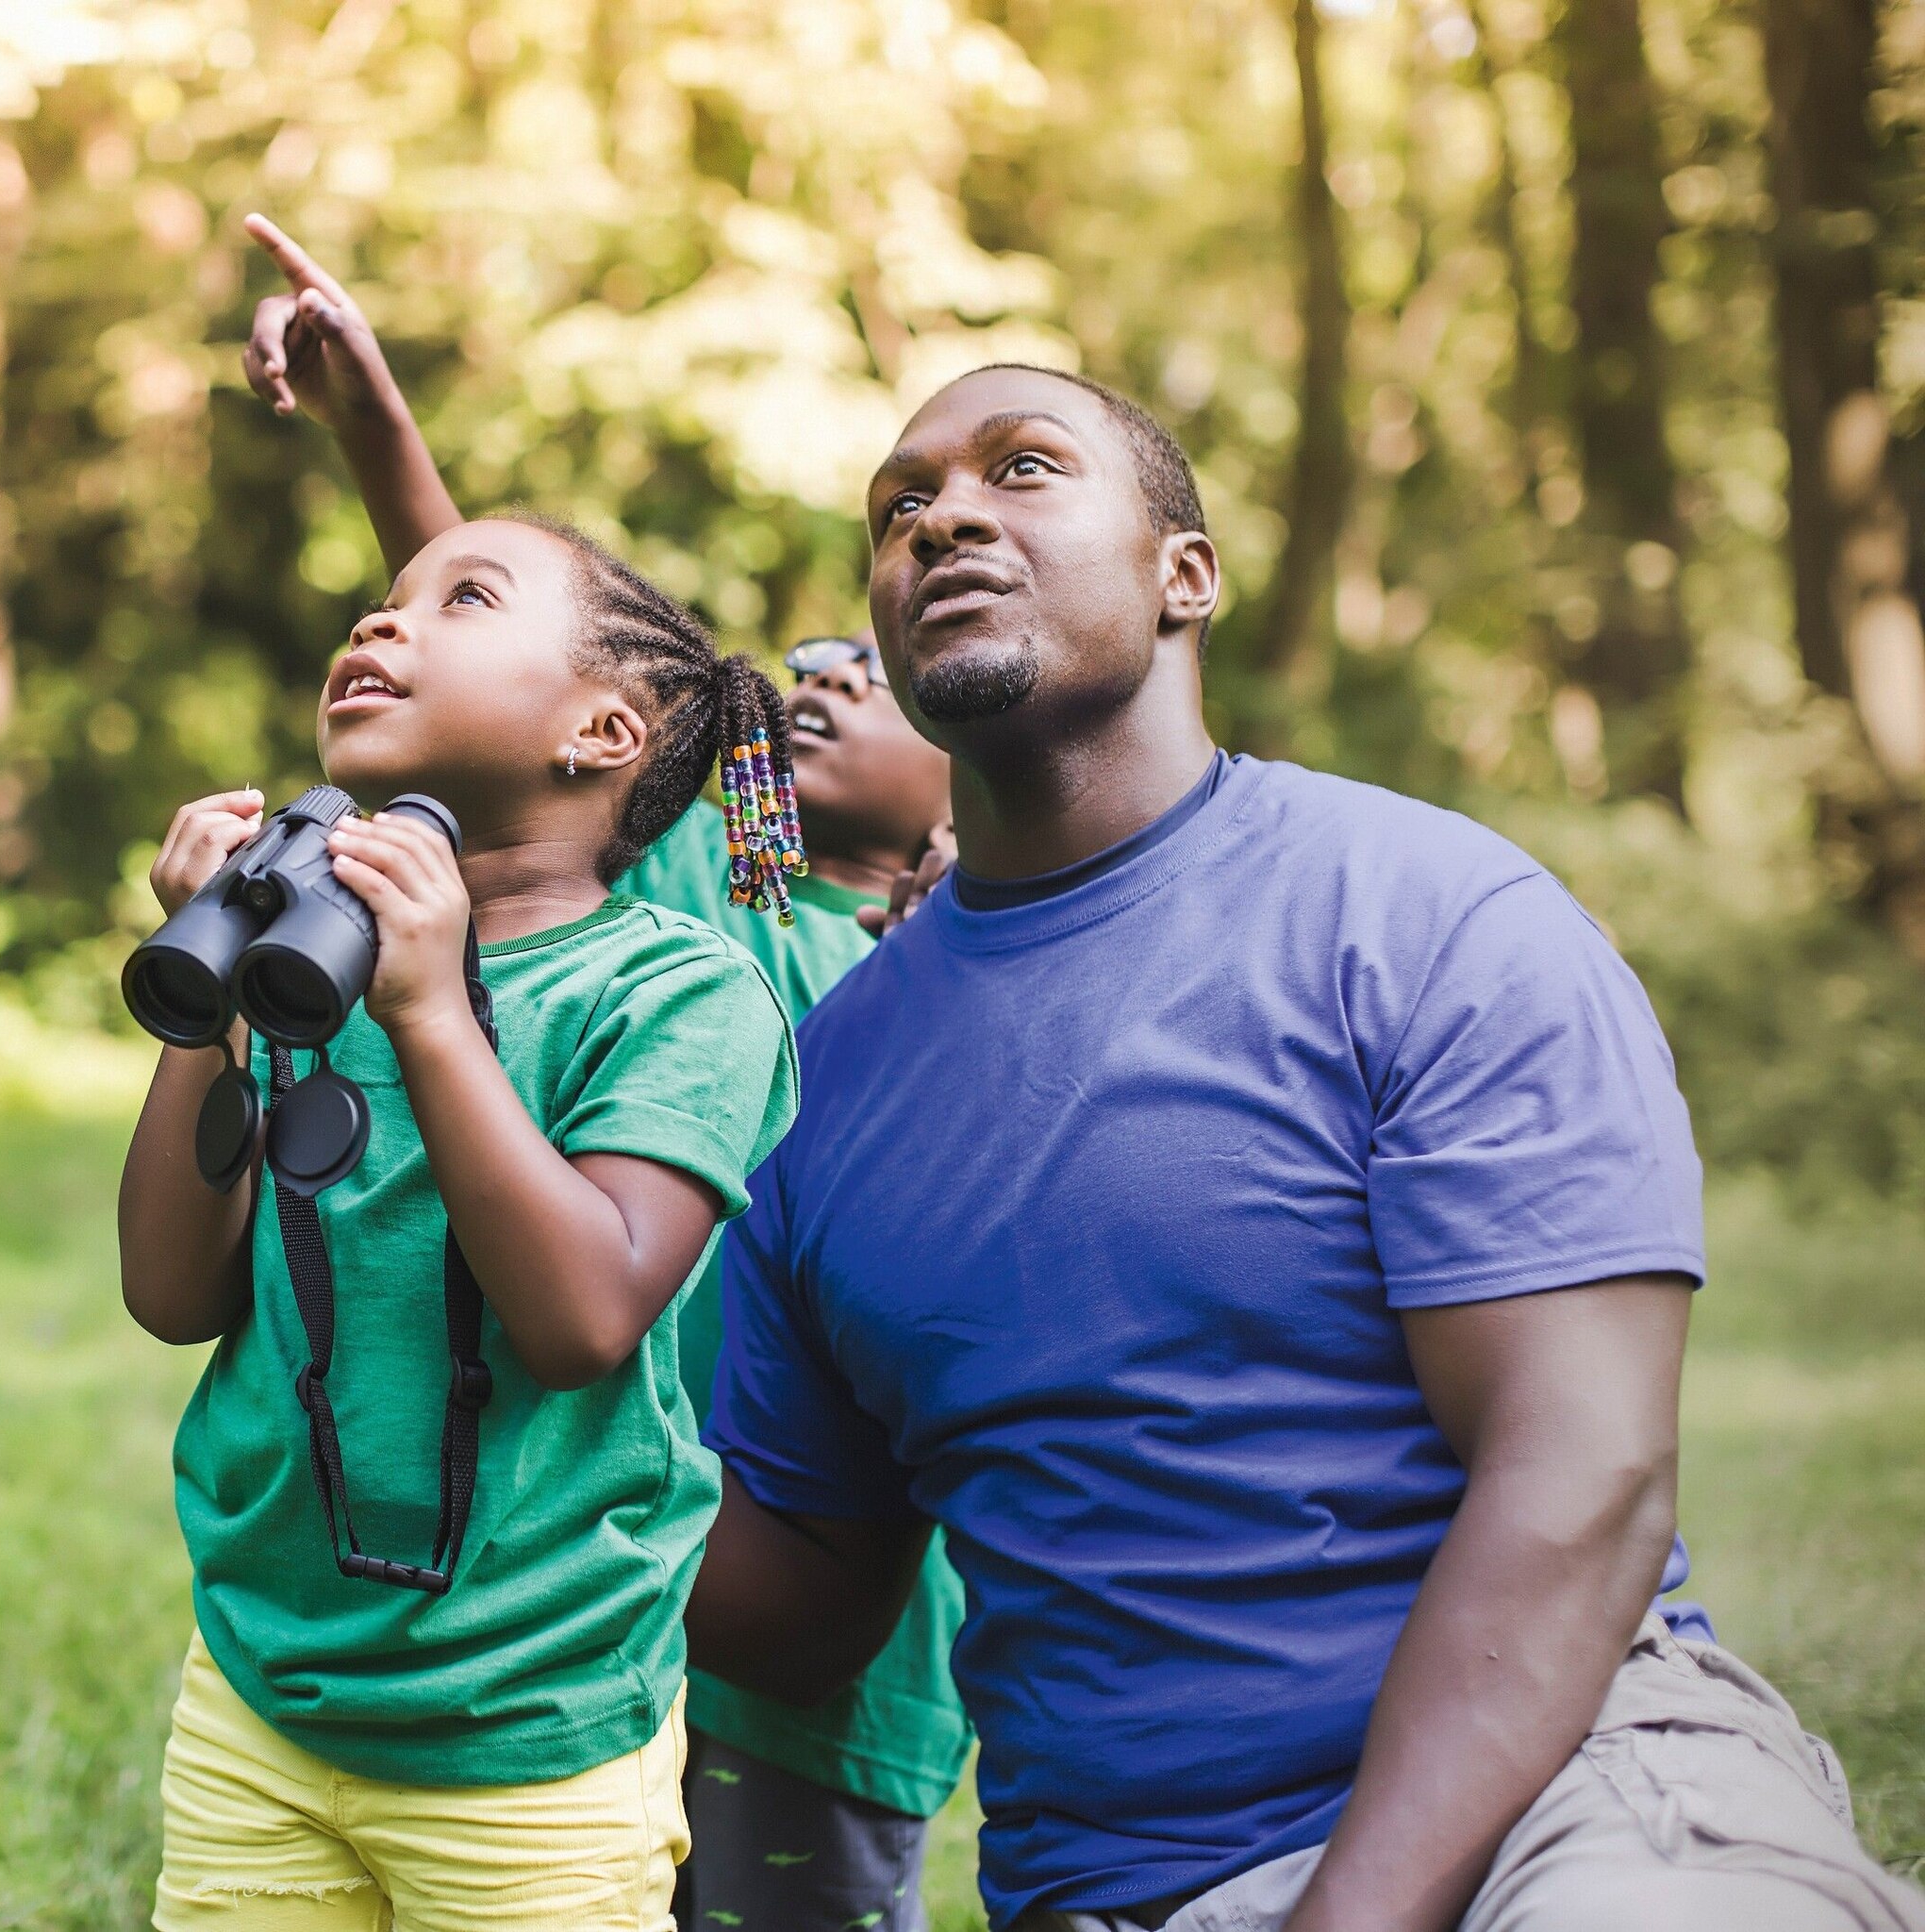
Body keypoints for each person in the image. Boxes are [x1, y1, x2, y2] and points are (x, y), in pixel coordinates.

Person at [685, 360, 1925, 1932]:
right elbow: (806, 1610)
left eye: (1024, 468)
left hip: (1568, 1797)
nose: (942, 521)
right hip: (1123, 1891)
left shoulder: (1426, 917)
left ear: (1184, 576)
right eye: (900, 507)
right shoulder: (826, 1081)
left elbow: (1584, 1476)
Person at [241, 213, 975, 1932]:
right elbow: (518, 691)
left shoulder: (959, 970)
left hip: (816, 1619)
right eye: (809, 666)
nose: (825, 677)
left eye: (874, 679)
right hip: (591, 1555)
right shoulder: (711, 890)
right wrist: (377, 431)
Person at [118, 507, 804, 1929]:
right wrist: (209, 999)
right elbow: (172, 1295)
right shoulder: (303, 959)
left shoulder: (676, 994)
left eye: (465, 598)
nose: (381, 620)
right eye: (386, 595)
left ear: (603, 733)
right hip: (264, 1686)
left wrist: (432, 1010)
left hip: (530, 1723)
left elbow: (581, 1319)